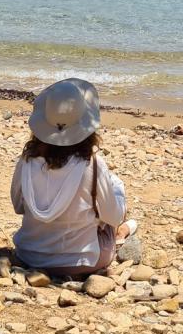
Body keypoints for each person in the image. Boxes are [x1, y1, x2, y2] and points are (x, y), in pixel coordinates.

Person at [10, 78, 137, 276]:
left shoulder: (26, 161)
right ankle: (123, 232)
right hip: (81, 261)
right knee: (116, 188)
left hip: (29, 256)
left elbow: (18, 206)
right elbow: (112, 216)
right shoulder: (92, 164)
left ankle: (121, 229)